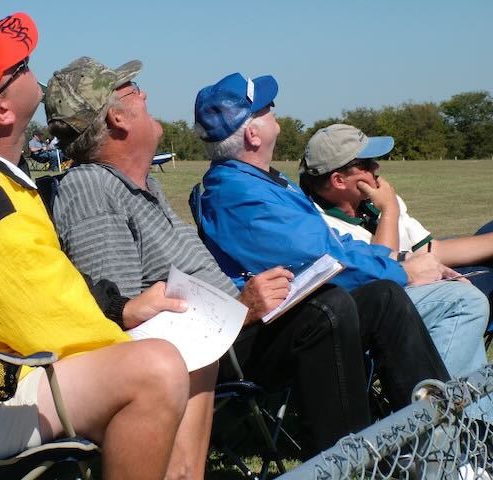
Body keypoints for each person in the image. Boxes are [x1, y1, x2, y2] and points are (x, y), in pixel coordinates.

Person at [44, 57, 450, 460]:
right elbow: (125, 319)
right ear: (116, 118)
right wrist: (241, 307)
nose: (146, 94)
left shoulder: (142, 184)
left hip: (229, 326)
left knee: (382, 297)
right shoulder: (90, 187)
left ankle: (443, 447)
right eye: (132, 90)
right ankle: (344, 465)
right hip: (205, 347)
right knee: (327, 309)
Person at [0, 13, 199, 479]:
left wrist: (120, 308)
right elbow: (71, 335)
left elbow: (49, 286)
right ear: (2, 110)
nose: (30, 62)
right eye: (19, 66)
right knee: (156, 369)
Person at [195, 73, 489, 383]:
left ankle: (452, 407)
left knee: (460, 290)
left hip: (334, 302)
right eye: (265, 107)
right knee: (462, 301)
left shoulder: (259, 182)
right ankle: (436, 411)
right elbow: (325, 265)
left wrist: (396, 263)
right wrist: (404, 272)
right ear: (253, 134)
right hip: (318, 316)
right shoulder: (242, 196)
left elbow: (336, 245)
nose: (273, 110)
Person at [298, 123, 493, 316]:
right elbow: (383, 277)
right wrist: (389, 210)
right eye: (366, 164)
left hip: (426, 281)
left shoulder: (373, 201)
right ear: (339, 180)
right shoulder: (320, 226)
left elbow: (430, 249)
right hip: (402, 306)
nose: (376, 166)